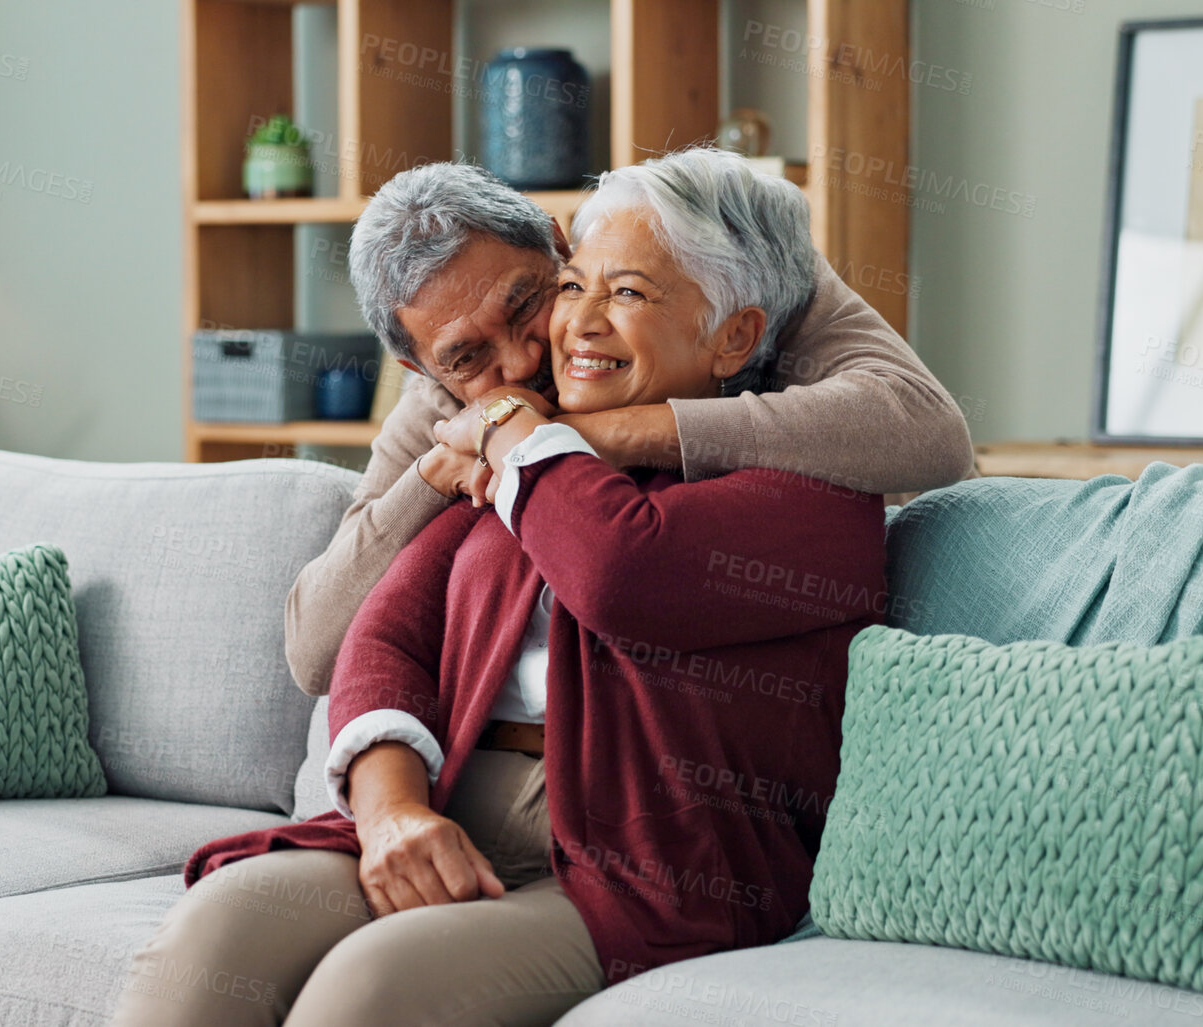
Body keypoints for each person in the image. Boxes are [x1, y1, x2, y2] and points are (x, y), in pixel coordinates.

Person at [109, 147, 890, 1026]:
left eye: (624, 293)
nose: (556, 341)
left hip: (652, 849)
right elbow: (381, 635)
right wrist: (393, 809)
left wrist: (513, 432)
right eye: (578, 289)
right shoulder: (496, 457)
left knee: (368, 991)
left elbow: (617, 570)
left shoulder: (806, 485)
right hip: (450, 796)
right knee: (206, 944)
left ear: (734, 336)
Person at [283, 161, 970, 698]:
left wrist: (596, 433)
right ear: (419, 364)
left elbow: (929, 432)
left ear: (559, 242)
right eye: (468, 356)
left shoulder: (718, 260)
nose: (521, 360)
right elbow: (315, 652)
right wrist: (439, 469)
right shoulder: (447, 397)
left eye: (527, 303)